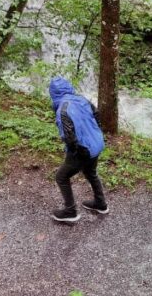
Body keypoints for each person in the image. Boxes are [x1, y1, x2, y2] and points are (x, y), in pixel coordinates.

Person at [49, 77, 108, 223]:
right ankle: (101, 204)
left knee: (61, 177)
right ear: (69, 88)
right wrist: (96, 137)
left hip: (84, 149)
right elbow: (97, 117)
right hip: (97, 143)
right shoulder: (81, 99)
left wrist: (76, 152)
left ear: (53, 93)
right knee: (90, 172)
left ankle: (70, 211)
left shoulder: (63, 109)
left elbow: (69, 137)